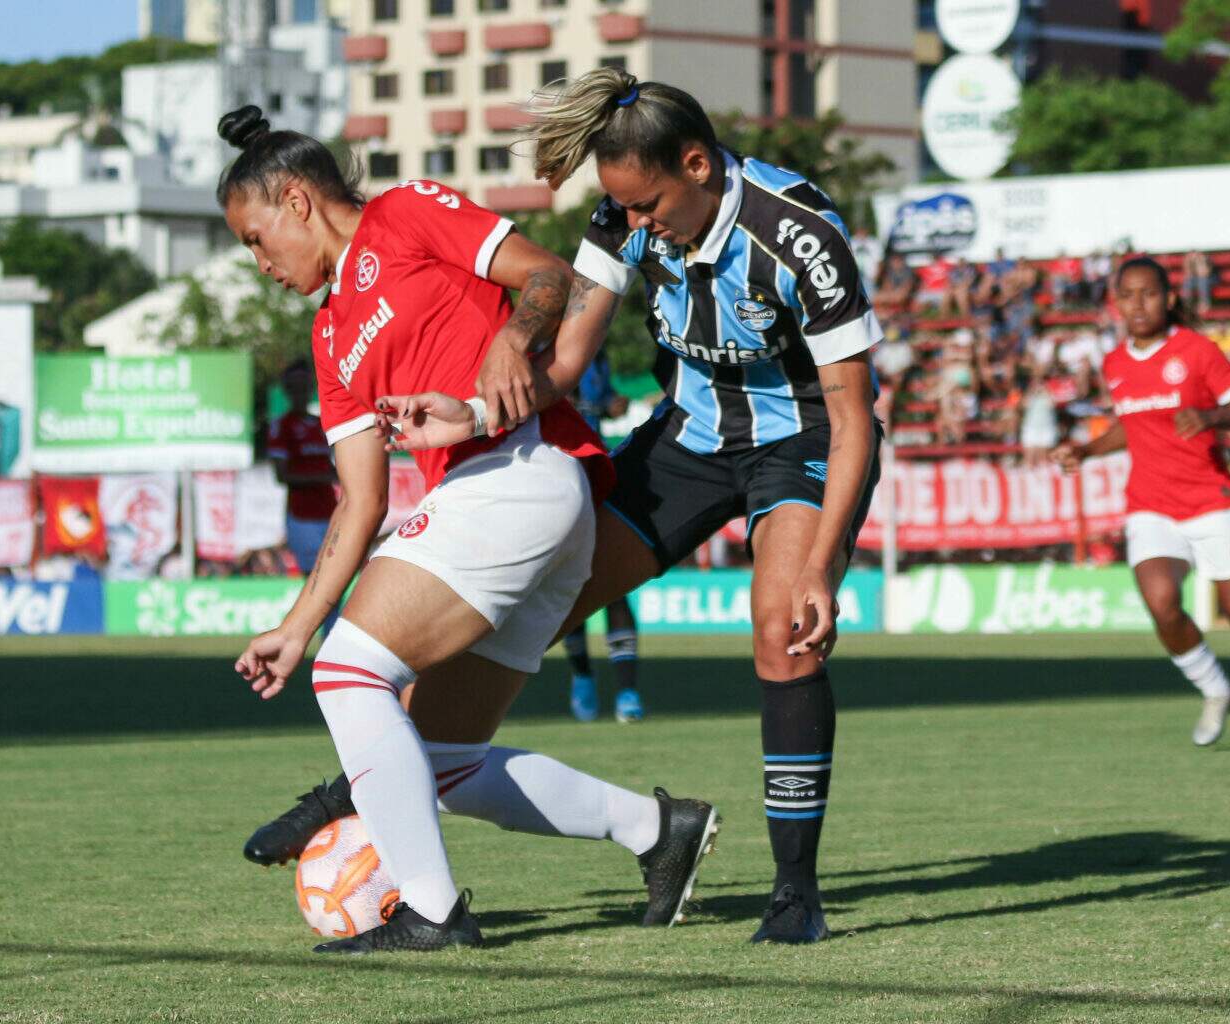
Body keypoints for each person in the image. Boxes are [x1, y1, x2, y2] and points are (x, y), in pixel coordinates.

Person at [248, 69, 881, 944]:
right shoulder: (619, 218)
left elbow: (853, 414)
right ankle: (652, 831)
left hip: (801, 438)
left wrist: (818, 566)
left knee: (783, 632)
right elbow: (569, 351)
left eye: (650, 204)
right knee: (479, 676)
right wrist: (470, 411)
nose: (638, 223)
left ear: (697, 166)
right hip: (687, 439)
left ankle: (794, 896)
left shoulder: (800, 235)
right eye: (624, 208)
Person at [219, 105, 719, 954]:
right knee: (446, 760)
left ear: (298, 201)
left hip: (522, 472)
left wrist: (514, 339)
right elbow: (359, 501)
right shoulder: (330, 336)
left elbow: (549, 276)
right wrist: (296, 628)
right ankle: (657, 828)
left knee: (351, 677)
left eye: (257, 238)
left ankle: (433, 913)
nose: (260, 264)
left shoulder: (403, 211)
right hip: (518, 509)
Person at [1054, 257, 1230, 746]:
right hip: (1151, 503)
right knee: (1161, 603)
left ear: (1170, 299)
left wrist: (1210, 416)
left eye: (1150, 294)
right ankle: (1216, 689)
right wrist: (1087, 449)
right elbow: (1130, 422)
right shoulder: (1115, 363)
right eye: (1128, 295)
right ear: (1116, 302)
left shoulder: (1197, 351)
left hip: (1211, 499)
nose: (1139, 305)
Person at [561, 350, 644, 723]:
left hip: (599, 469)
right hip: (559, 473)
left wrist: (614, 403)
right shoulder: (540, 343)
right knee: (569, 584)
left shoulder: (596, 349)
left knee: (615, 579)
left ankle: (628, 692)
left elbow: (605, 399)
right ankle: (582, 677)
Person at [266, 358, 340, 630]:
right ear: (287, 390)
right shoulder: (281, 426)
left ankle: (330, 638)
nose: (300, 391)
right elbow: (281, 475)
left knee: (336, 580)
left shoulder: (322, 424)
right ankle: (314, 636)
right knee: (317, 582)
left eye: (305, 385)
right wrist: (323, 477)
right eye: (294, 386)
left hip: (332, 511)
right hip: (302, 516)